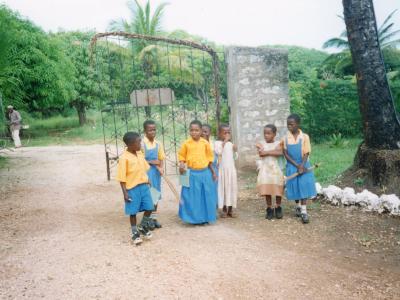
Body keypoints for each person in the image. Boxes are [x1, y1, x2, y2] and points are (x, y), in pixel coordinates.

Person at [116, 132, 154, 245]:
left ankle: (142, 226)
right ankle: (134, 232)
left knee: (150, 207)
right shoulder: (124, 158)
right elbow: (121, 178)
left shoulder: (139, 154)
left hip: (144, 186)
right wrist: (125, 193)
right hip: (132, 188)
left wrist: (148, 180)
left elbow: (144, 168)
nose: (140, 144)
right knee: (133, 211)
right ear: (130, 144)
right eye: (138, 142)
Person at [178, 120, 217, 224]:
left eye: (197, 130)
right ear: (189, 131)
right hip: (191, 173)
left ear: (201, 131)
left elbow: (210, 159)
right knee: (190, 196)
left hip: (204, 173)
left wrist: (213, 172)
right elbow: (182, 156)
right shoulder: (186, 143)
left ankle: (204, 218)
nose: (194, 132)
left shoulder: (205, 143)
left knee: (205, 196)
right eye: (192, 130)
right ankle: (192, 218)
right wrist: (182, 164)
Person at [282, 114, 317, 224]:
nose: (289, 127)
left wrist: (302, 165)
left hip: (304, 164)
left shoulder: (304, 137)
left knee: (303, 186)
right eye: (288, 125)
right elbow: (285, 154)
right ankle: (297, 206)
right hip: (292, 165)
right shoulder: (285, 138)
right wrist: (297, 166)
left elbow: (306, 152)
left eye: (291, 124)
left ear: (298, 124)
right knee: (295, 187)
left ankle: (304, 211)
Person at [256, 124, 285, 220]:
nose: (266, 135)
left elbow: (280, 153)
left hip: (276, 169)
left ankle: (278, 207)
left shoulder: (279, 143)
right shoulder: (260, 143)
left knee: (277, 189)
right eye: (265, 133)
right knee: (267, 189)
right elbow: (261, 154)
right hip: (265, 170)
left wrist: (267, 152)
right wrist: (272, 151)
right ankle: (269, 208)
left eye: (269, 133)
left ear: (274, 134)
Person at [142, 120, 165, 230]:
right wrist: (151, 162)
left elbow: (161, 158)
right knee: (149, 196)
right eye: (150, 130)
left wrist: (161, 167)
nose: (152, 132)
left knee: (155, 196)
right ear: (145, 131)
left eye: (154, 129)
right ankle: (147, 220)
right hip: (146, 172)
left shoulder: (158, 143)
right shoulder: (141, 143)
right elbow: (139, 160)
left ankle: (153, 219)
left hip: (156, 173)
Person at [214, 124, 238, 218]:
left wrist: (235, 150)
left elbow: (235, 157)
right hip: (223, 170)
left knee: (231, 188)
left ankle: (230, 209)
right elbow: (219, 152)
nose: (227, 134)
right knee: (223, 188)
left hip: (231, 170)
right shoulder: (217, 143)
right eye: (225, 133)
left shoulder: (230, 144)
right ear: (219, 134)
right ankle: (223, 209)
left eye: (229, 132)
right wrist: (225, 141)